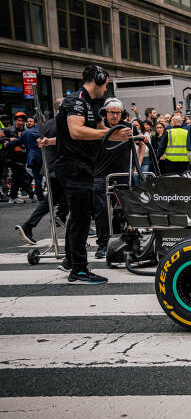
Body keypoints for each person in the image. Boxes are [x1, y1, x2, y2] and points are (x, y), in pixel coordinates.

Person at [55, 65, 131, 284]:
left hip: (82, 166)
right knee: (80, 218)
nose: (106, 88)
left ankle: (72, 261)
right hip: (73, 167)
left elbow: (72, 135)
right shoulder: (75, 101)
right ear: (98, 79)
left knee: (78, 217)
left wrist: (106, 130)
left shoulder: (89, 103)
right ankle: (78, 269)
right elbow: (75, 131)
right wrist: (109, 133)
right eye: (106, 83)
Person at [92, 98, 143, 260]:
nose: (114, 116)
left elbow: (141, 143)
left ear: (122, 114)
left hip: (122, 176)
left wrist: (137, 167)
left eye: (117, 113)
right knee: (101, 212)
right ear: (105, 113)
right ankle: (102, 245)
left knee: (122, 211)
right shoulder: (99, 128)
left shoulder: (128, 127)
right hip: (100, 175)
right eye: (111, 112)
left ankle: (123, 240)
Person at [16, 99, 69, 246]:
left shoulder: (48, 124)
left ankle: (29, 225)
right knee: (76, 195)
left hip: (51, 167)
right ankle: (63, 218)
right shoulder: (65, 123)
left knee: (50, 200)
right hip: (63, 168)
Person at [2, 112, 34, 202]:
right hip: (12, 158)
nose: (21, 123)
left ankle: (13, 196)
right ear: (15, 120)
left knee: (16, 177)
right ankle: (32, 194)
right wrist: (8, 139)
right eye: (19, 120)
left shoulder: (26, 131)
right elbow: (1, 139)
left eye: (23, 121)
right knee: (22, 177)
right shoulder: (8, 130)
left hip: (23, 157)